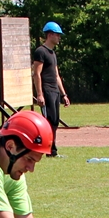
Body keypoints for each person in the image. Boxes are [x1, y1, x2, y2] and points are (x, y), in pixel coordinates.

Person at [32, 21, 70, 156]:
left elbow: (57, 75)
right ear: (50, 35)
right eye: (57, 35)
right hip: (46, 91)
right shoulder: (40, 52)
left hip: (54, 91)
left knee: (54, 121)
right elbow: (36, 74)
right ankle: (49, 150)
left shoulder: (52, 54)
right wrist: (40, 94)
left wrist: (63, 94)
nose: (59, 38)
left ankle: (52, 149)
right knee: (48, 122)